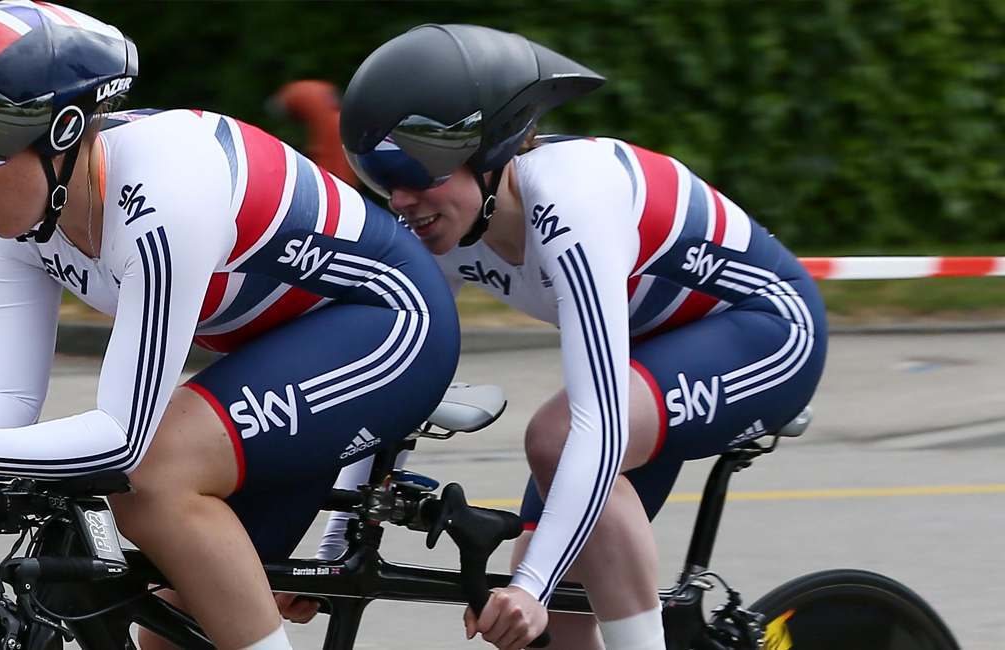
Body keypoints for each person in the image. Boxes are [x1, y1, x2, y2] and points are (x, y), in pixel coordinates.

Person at [0, 3, 461, 649]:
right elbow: (9, 400)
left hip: (390, 326)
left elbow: (124, 440)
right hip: (274, 350)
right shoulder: (20, 213)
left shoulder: (165, 194)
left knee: (153, 479)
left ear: (63, 131)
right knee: (172, 639)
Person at [323, 24, 827, 650]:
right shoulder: (444, 230)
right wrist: (334, 549)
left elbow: (599, 423)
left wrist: (531, 586)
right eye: (382, 181)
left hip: (768, 331)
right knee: (556, 614)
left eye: (417, 175)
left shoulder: (572, 199)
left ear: (489, 155)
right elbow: (392, 382)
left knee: (555, 451)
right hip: (655, 357)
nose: (402, 203)